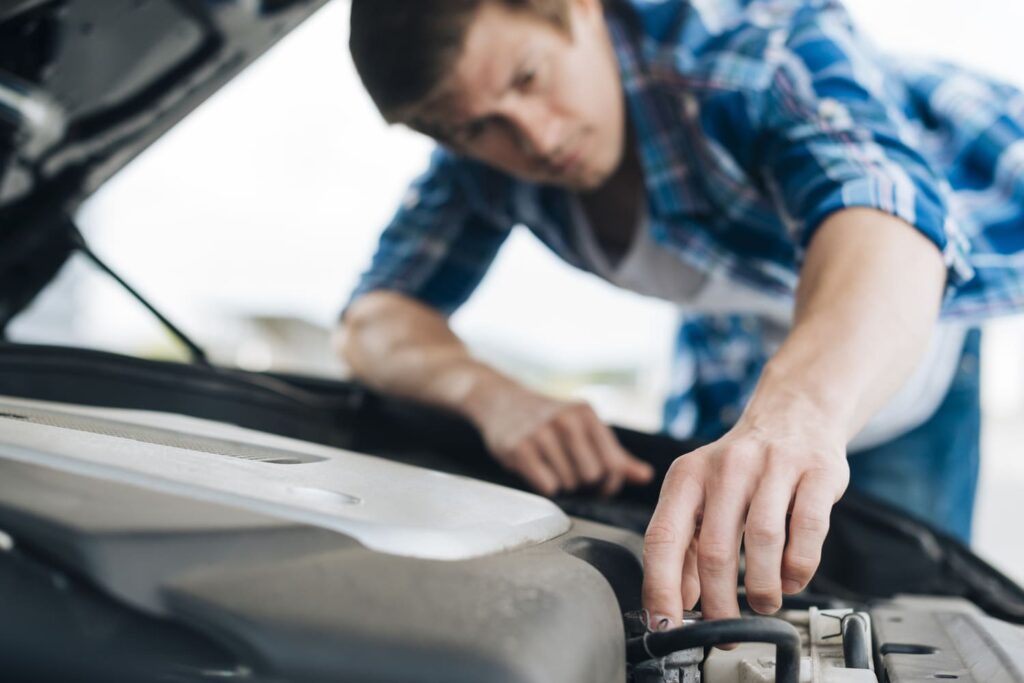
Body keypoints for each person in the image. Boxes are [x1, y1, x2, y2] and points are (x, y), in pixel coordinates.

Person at [338, 0, 1024, 629]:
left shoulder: (747, 54)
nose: (537, 140)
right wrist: (491, 397)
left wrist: (797, 416)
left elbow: (887, 214)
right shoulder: (481, 163)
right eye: (477, 126)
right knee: (706, 556)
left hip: (908, 293)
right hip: (737, 332)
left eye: (527, 78)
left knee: (902, 600)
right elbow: (375, 317)